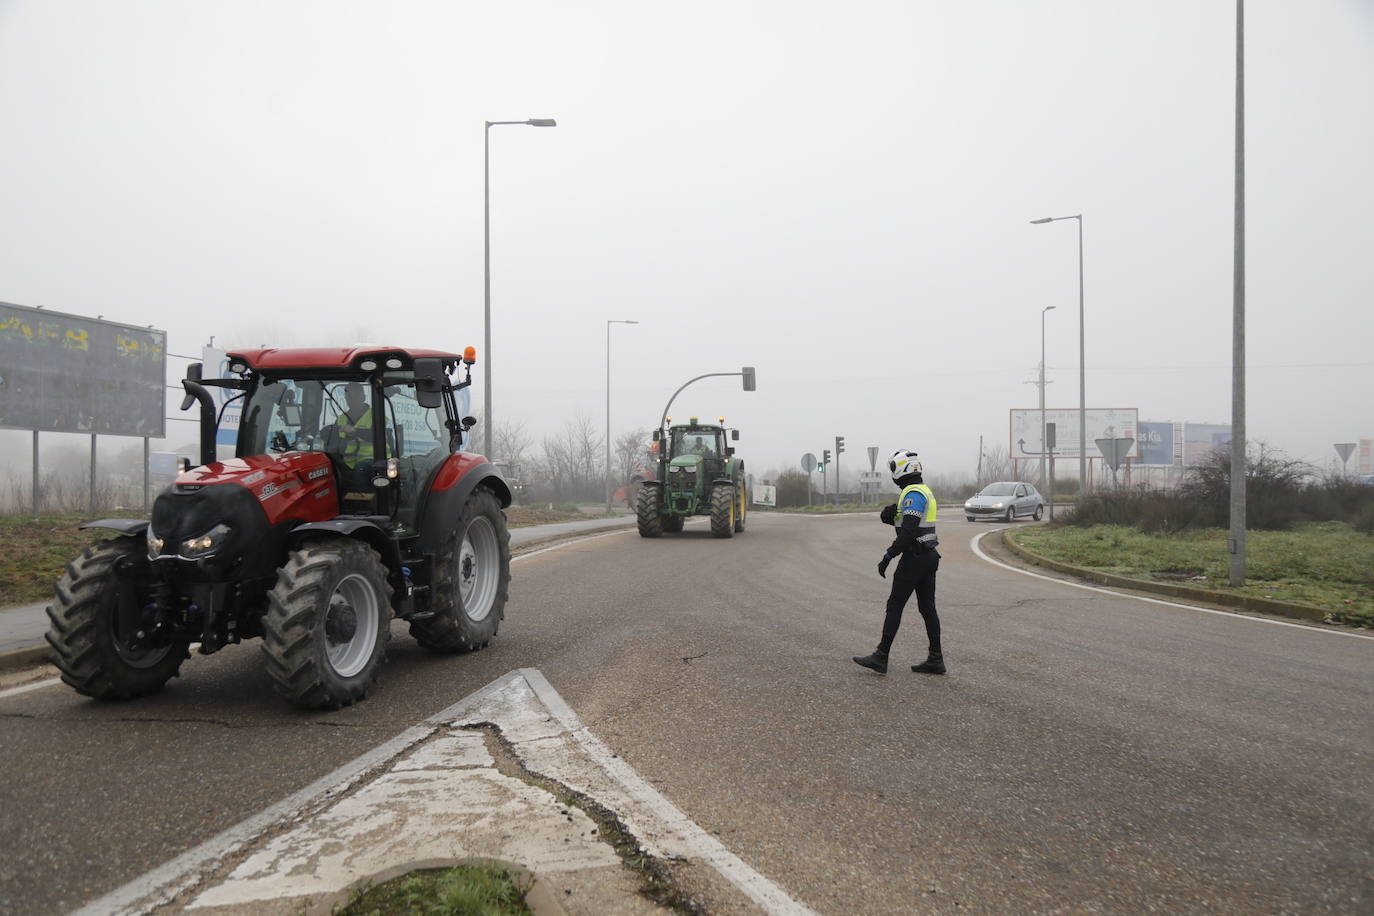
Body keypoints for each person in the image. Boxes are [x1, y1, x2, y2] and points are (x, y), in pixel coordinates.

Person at [853, 449, 945, 675]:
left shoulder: (913, 493)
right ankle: (936, 658)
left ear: (902, 468)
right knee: (927, 609)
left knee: (895, 605)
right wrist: (888, 515)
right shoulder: (920, 491)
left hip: (915, 557)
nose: (892, 473)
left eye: (893, 468)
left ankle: (881, 656)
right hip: (929, 556)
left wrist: (888, 556)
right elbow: (907, 521)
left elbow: (909, 531)